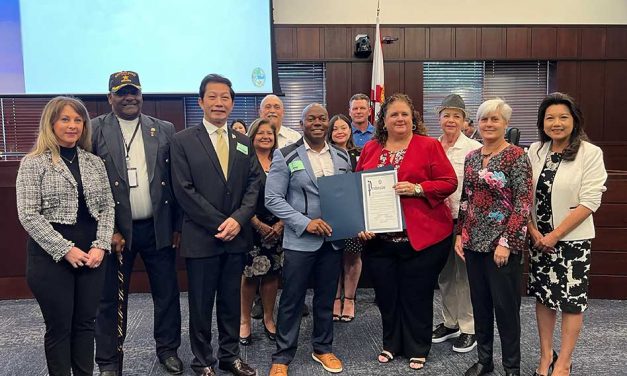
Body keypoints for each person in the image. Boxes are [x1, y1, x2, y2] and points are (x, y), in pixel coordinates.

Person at [356, 93, 457, 371]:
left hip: (423, 238)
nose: (400, 119)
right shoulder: (371, 149)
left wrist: (418, 188)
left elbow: (449, 181)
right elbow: (358, 190)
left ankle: (417, 346)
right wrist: (360, 223)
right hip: (379, 241)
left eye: (405, 114)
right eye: (393, 115)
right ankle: (392, 344)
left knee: (416, 294)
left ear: (413, 119)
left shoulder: (428, 146)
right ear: (384, 121)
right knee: (387, 295)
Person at [92, 71, 183, 376]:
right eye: (122, 92)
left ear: (142, 95)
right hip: (117, 232)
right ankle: (108, 360)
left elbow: (177, 182)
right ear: (110, 97)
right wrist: (108, 230)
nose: (129, 97)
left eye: (134, 92)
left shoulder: (164, 129)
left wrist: (177, 227)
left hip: (158, 227)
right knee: (109, 298)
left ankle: (168, 349)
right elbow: (90, 186)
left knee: (167, 293)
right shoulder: (93, 130)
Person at [16, 96, 115, 376]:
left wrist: (101, 245)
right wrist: (65, 249)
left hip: (92, 256)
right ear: (51, 123)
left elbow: (107, 207)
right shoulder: (33, 163)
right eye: (65, 119)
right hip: (51, 258)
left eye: (78, 120)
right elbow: (28, 214)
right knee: (60, 327)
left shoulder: (94, 162)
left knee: (86, 324)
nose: (73, 126)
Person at [171, 74, 261, 376]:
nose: (219, 102)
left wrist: (238, 220)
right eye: (212, 96)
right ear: (201, 102)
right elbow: (183, 190)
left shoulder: (243, 142)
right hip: (201, 237)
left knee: (230, 301)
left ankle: (229, 356)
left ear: (232, 103)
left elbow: (253, 184)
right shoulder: (182, 141)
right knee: (200, 304)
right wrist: (221, 222)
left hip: (236, 237)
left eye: (225, 97)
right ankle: (203, 360)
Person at [265, 104, 352, 376]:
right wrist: (305, 223)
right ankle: (282, 355)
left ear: (328, 123)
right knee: (292, 299)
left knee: (326, 298)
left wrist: (357, 223)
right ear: (302, 124)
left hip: (333, 241)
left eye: (322, 118)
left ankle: (322, 348)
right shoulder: (286, 155)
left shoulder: (341, 155)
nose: (317, 123)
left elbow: (349, 196)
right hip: (300, 241)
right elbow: (273, 199)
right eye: (311, 119)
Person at [527, 93, 607, 376]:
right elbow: (523, 195)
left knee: (571, 302)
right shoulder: (535, 150)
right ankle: (547, 355)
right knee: (544, 298)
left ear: (574, 120)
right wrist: (534, 231)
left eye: (563, 117)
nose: (556, 123)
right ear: (542, 123)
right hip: (538, 241)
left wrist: (555, 235)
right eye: (550, 118)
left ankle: (564, 362)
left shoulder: (590, 153)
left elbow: (590, 201)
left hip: (572, 241)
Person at [455, 98, 532, 376]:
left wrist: (507, 243)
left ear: (505, 124)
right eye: (484, 119)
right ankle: (484, 361)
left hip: (503, 247)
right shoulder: (472, 157)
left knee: (506, 309)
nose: (489, 124)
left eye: (495, 119)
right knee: (481, 306)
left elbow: (523, 204)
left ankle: (512, 367)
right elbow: (466, 199)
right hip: (473, 242)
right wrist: (459, 234)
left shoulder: (517, 157)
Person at [433, 94, 482, 353]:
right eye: (446, 115)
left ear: (464, 121)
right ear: (438, 118)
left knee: (464, 276)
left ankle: (469, 327)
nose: (451, 120)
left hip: (464, 221)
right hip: (438, 221)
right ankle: (450, 322)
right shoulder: (432, 146)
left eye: (457, 116)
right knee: (444, 275)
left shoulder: (473, 149)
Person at [239, 118, 283, 346]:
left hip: (277, 228)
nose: (266, 137)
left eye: (270, 134)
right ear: (252, 136)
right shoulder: (244, 161)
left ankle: (268, 317)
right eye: (261, 133)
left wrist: (280, 224)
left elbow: (291, 194)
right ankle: (244, 321)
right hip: (251, 226)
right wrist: (257, 223)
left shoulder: (280, 161)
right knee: (249, 276)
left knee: (272, 275)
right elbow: (239, 197)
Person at [327, 114, 361, 322]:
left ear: (350, 131)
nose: (340, 132)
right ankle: (334, 298)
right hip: (330, 213)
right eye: (335, 129)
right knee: (332, 258)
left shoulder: (360, 154)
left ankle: (349, 298)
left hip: (354, 212)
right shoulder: (324, 154)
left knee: (352, 255)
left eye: (344, 128)